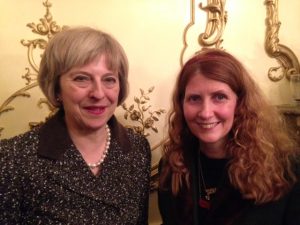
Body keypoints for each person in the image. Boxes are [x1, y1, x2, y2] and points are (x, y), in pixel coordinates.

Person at [0, 26, 151, 224]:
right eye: (81, 79)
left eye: (109, 80)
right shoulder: (12, 159)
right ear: (57, 89)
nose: (98, 93)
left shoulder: (137, 149)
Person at [158, 48, 300, 225]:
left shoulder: (287, 169)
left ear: (240, 103)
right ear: (182, 104)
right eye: (194, 98)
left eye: (219, 97)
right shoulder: (172, 166)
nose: (206, 112)